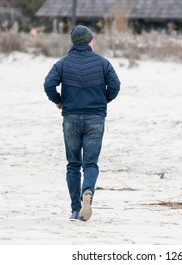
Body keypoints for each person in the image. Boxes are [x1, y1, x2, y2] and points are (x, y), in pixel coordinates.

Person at [43, 25, 120, 221]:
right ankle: (88, 191)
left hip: (71, 118)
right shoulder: (103, 63)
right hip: (95, 118)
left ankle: (76, 209)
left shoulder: (62, 64)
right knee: (91, 164)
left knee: (73, 165)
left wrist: (58, 100)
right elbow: (115, 86)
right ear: (89, 41)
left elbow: (48, 84)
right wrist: (103, 101)